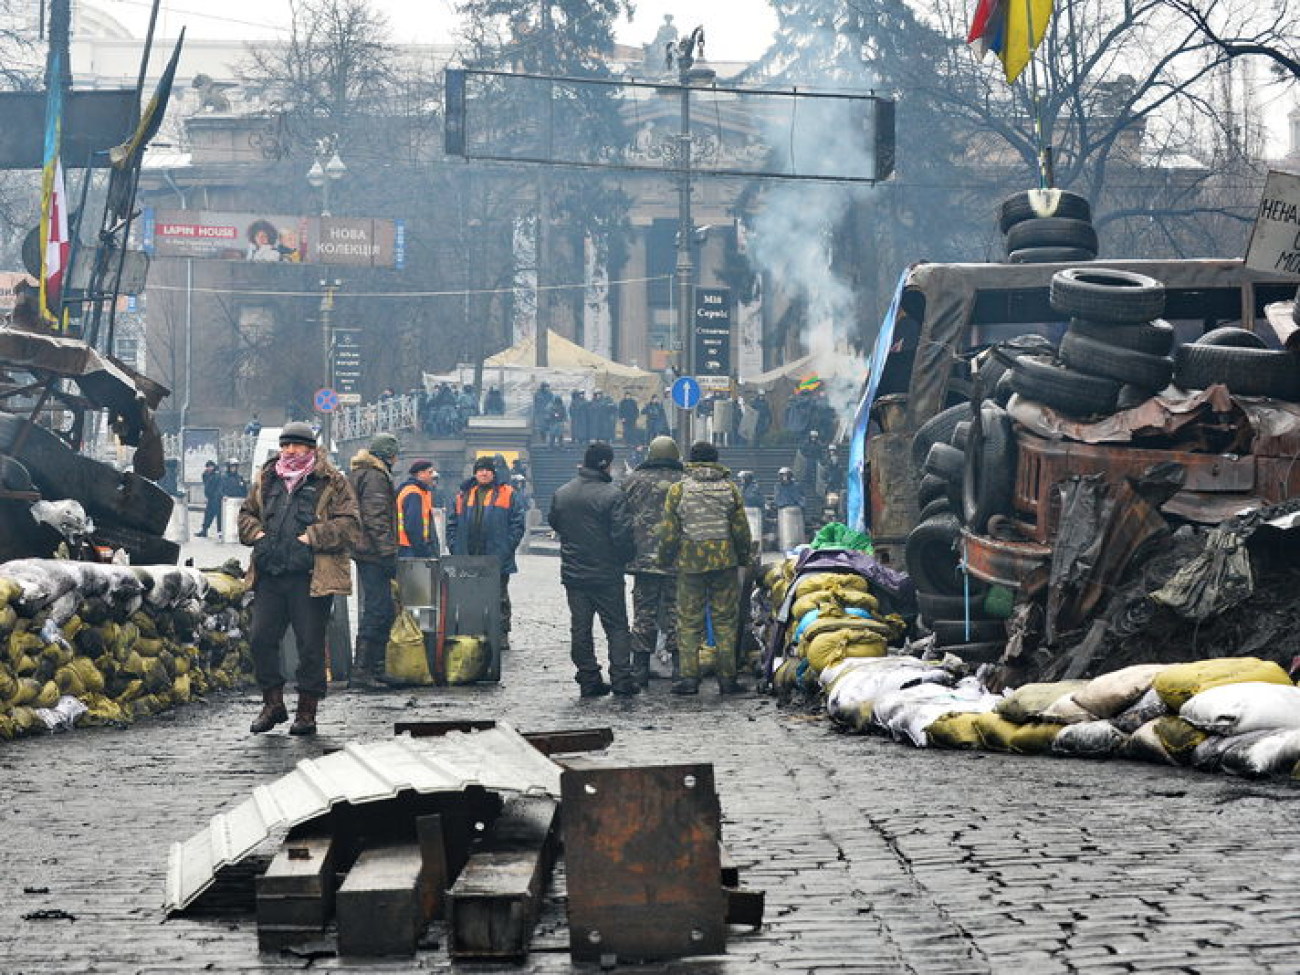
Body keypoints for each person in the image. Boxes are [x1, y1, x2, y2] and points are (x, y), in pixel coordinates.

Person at [239, 422, 359, 736]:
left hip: (310, 577)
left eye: (295, 445)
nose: (289, 451)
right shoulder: (266, 478)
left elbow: (350, 524)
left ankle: (307, 711)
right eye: (285, 446)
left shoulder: (333, 481)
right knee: (261, 639)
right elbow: (245, 515)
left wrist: (313, 537)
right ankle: (273, 703)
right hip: (270, 575)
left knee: (310, 647)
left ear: (310, 448)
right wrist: (259, 534)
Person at [658, 441, 753, 696]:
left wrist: (664, 558)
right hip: (725, 562)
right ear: (715, 460)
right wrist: (744, 557)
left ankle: (689, 679)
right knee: (725, 621)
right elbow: (741, 530)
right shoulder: (730, 489)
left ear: (691, 460)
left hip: (690, 563)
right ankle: (727, 679)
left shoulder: (679, 490)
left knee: (688, 622)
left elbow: (669, 532)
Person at [549, 442, 637, 697]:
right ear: (606, 464)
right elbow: (622, 536)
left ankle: (588, 679)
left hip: (574, 573)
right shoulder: (613, 494)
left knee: (580, 628)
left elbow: (556, 522)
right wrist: (624, 559)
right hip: (607, 574)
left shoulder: (562, 493)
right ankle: (622, 679)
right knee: (617, 627)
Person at [621, 435, 684, 687]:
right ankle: (680, 669)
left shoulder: (633, 481)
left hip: (643, 561)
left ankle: (639, 670)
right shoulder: (684, 481)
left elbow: (620, 515)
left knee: (643, 613)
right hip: (677, 560)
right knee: (676, 614)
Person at [447, 456, 526, 646]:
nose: (484, 473)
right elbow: (452, 524)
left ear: (493, 473)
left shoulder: (508, 493)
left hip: (497, 555)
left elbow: (517, 524)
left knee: (499, 596)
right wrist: (455, 548)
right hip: (469, 555)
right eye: (480, 470)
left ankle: (501, 633)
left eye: (487, 470)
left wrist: (506, 549)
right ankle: (474, 630)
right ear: (475, 473)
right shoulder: (463, 495)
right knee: (470, 596)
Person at [347, 433, 400, 688]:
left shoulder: (361, 473)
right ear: (388, 456)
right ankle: (363, 672)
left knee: (382, 608)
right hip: (374, 553)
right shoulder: (376, 477)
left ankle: (374, 668)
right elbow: (376, 517)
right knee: (378, 609)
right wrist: (388, 553)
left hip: (364, 550)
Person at [397, 459, 439, 559]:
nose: (433, 475)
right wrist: (423, 551)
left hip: (408, 547)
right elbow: (413, 526)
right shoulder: (414, 493)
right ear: (420, 474)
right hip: (412, 549)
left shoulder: (415, 491)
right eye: (430, 472)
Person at [197, 460, 222, 537]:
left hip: (217, 498)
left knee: (219, 516)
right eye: (208, 467)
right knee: (208, 515)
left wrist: (218, 495)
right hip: (210, 497)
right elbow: (206, 483)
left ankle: (220, 532)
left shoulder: (217, 475)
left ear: (214, 467)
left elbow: (219, 486)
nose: (209, 468)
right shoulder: (206, 475)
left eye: (211, 467)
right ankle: (204, 530)